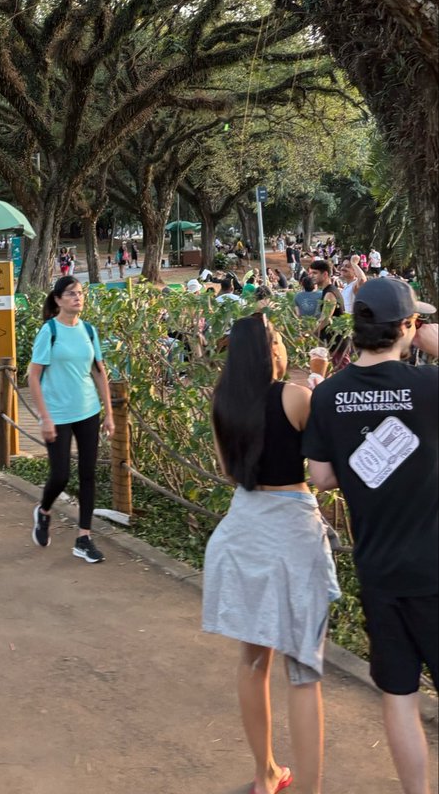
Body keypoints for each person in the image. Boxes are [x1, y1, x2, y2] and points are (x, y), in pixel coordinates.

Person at [303, 280, 438, 794]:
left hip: (379, 568)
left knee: (399, 695)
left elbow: (321, 477)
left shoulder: (331, 394)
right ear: (406, 327)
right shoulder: (428, 389)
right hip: (434, 566)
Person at [203, 315, 339, 794]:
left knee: (253, 661)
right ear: (267, 351)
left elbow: (228, 470)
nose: (282, 346)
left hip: (243, 529)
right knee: (302, 669)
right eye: (278, 339)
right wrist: (319, 387)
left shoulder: (222, 402)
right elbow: (324, 464)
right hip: (291, 531)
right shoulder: (294, 396)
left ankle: (266, 775)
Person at [28, 277, 114, 563]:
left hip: (88, 411)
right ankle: (43, 511)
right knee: (61, 475)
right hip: (58, 415)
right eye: (71, 294)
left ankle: (84, 538)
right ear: (58, 299)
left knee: (88, 475)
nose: (78, 298)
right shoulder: (49, 331)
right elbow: (33, 376)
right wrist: (44, 417)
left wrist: (109, 413)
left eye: (80, 293)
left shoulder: (89, 330)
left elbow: (99, 372)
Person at [309, 258, 349, 371]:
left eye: (315, 273)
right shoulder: (328, 291)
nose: (311, 276)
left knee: (342, 376)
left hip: (337, 343)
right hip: (333, 342)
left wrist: (309, 333)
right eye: (311, 273)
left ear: (325, 274)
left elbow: (325, 319)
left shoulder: (330, 293)